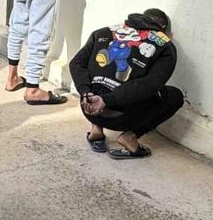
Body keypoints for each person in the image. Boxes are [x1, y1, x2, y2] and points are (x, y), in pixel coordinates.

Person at [69, 9, 184, 159]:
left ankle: (96, 129)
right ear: (166, 32)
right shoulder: (166, 46)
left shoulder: (103, 31)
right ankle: (130, 137)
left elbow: (76, 64)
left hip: (88, 108)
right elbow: (150, 85)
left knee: (102, 75)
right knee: (173, 96)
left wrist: (86, 92)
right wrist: (107, 100)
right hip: (121, 117)